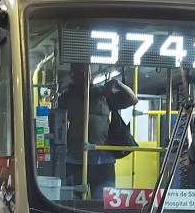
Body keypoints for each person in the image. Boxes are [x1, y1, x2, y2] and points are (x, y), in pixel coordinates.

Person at [58, 64, 138, 199]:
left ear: (90, 75)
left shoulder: (104, 94)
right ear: (72, 77)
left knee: (103, 203)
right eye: (77, 73)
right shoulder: (66, 98)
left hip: (103, 159)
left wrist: (116, 83)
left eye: (85, 73)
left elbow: (133, 99)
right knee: (71, 202)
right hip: (75, 158)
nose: (82, 76)